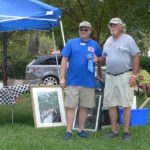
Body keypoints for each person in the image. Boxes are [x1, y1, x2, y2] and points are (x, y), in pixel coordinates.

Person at [98, 18, 140, 141]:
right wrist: (97, 59)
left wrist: (134, 76)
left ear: (121, 27)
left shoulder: (128, 39)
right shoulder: (108, 41)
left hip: (125, 76)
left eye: (115, 25)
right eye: (111, 25)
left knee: (126, 104)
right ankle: (114, 131)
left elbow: (136, 57)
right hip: (110, 76)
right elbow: (104, 57)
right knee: (111, 104)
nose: (112, 27)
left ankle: (126, 132)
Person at [60, 21, 102, 140]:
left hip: (88, 82)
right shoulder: (71, 43)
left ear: (90, 31)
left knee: (84, 107)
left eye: (86, 29)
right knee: (71, 107)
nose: (83, 31)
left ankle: (81, 130)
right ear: (79, 31)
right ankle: (68, 131)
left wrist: (97, 60)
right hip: (73, 81)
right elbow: (64, 60)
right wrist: (62, 78)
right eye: (81, 29)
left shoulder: (95, 44)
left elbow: (100, 58)